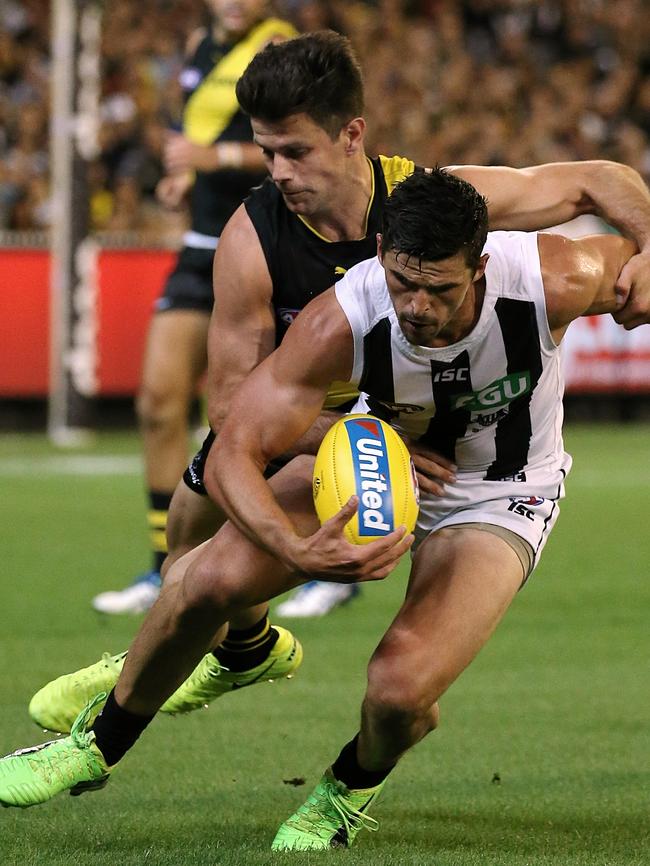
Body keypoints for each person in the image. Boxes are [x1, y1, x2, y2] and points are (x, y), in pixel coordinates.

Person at [0, 170, 642, 856]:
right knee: (200, 580)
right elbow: (232, 450)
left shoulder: (559, 278)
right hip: (376, 456)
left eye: (440, 288)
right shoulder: (342, 315)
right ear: (381, 251)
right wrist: (294, 550)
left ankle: (349, 784)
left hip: (500, 489)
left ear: (480, 265)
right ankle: (97, 745)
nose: (418, 307)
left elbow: (602, 183)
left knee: (399, 692)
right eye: (403, 282)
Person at [26, 30, 650, 731]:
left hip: (406, 413)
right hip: (295, 415)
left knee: (224, 572)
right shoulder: (252, 236)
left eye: (295, 151)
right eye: (266, 152)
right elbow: (231, 403)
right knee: (187, 538)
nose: (279, 172)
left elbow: (595, 178)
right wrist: (354, 438)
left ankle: (188, 658)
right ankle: (237, 647)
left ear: (353, 135)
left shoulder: (431, 202)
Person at [91, 0, 296, 615]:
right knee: (157, 400)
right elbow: (196, 139)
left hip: (265, 244)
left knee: (269, 412)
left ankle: (306, 569)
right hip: (200, 246)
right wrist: (187, 176)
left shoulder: (278, 43)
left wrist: (216, 161)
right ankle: (164, 564)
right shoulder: (195, 46)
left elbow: (299, 146)